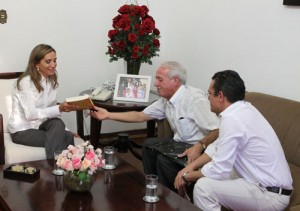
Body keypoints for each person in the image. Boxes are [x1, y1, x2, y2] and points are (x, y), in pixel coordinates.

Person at [90, 61, 219, 192]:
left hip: (200, 149)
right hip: (180, 144)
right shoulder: (166, 99)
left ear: (175, 80)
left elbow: (218, 130)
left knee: (163, 160)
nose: (155, 84)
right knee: (148, 145)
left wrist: (200, 146)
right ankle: (153, 185)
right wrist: (108, 115)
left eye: (160, 79)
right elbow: (140, 116)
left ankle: (171, 197)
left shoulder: (195, 99)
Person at [174, 70, 293, 210]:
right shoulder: (243, 109)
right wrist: (190, 167)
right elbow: (217, 147)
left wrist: (186, 176)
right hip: (259, 184)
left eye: (209, 94)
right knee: (209, 172)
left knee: (203, 187)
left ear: (221, 96)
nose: (208, 99)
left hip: (270, 195)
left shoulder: (232, 119)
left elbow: (219, 169)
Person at [7, 44, 79, 159]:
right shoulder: (25, 82)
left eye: (55, 61)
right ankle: (59, 169)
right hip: (22, 130)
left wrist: (66, 129)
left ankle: (63, 168)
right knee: (66, 138)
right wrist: (59, 108)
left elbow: (51, 114)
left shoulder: (51, 82)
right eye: (48, 61)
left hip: (40, 127)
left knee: (59, 124)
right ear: (36, 64)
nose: (53, 65)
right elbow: (30, 114)